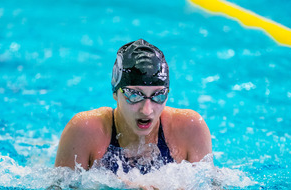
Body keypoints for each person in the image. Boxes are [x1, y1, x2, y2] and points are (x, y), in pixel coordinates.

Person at [55, 39, 212, 176]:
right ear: (116, 93)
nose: (147, 110)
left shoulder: (191, 129)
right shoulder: (84, 130)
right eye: (134, 95)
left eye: (158, 95)